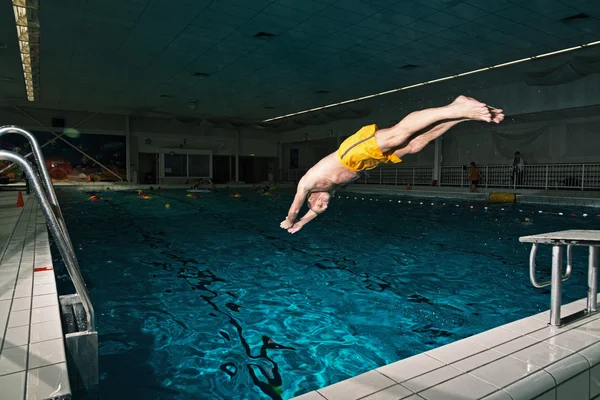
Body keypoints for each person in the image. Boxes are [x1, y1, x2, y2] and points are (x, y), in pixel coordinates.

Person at [280, 96, 504, 234]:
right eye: (324, 206)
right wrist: (305, 221)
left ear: (310, 197)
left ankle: (456, 108)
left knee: (398, 135)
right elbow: (315, 210)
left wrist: (291, 221)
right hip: (369, 162)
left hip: (350, 154)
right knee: (416, 145)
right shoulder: (329, 190)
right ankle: (460, 116)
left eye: (317, 202)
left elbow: (294, 208)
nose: (322, 203)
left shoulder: (307, 183)